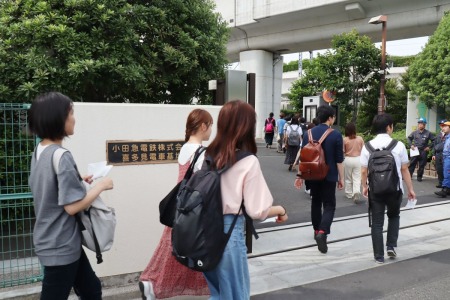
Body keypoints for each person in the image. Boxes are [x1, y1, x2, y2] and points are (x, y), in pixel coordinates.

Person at [28, 92, 114, 299]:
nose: (74, 118)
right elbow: (72, 207)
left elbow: (49, 189)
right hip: (61, 244)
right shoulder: (62, 155)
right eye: (70, 113)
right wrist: (100, 186)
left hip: (54, 239)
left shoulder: (40, 151)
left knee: (91, 289)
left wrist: (78, 181)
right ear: (57, 118)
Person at [203, 100, 288, 299]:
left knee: (217, 293)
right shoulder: (248, 161)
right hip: (228, 232)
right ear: (246, 127)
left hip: (205, 230)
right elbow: (257, 210)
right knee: (235, 294)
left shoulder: (208, 155)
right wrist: (281, 210)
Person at [139, 109, 213, 300]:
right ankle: (154, 285)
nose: (211, 130)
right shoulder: (201, 152)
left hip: (180, 208)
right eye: (210, 125)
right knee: (189, 252)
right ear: (203, 126)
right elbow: (204, 184)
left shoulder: (185, 148)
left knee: (171, 250)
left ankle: (151, 282)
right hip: (193, 211)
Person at [360, 113, 416, 264]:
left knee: (377, 222)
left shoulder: (367, 147)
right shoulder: (398, 145)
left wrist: (365, 186)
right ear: (388, 127)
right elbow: (405, 169)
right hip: (394, 189)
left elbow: (364, 171)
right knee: (394, 216)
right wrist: (410, 189)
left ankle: (379, 256)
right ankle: (391, 246)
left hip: (375, 190)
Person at [294, 105, 344, 254]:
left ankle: (316, 231)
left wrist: (299, 176)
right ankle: (323, 232)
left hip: (311, 174)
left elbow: (303, 157)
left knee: (315, 202)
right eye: (333, 117)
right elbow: (339, 160)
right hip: (329, 175)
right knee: (329, 205)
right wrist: (341, 178)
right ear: (330, 118)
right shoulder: (336, 135)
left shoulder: (307, 133)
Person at [407, 117, 435, 181]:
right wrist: (411, 145)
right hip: (415, 150)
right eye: (419, 123)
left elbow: (434, 140)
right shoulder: (414, 132)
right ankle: (409, 176)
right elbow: (409, 138)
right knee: (412, 164)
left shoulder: (428, 133)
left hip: (423, 151)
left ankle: (419, 177)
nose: (420, 125)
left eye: (421, 124)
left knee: (422, 165)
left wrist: (429, 147)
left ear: (424, 125)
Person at [343, 123, 364, 203]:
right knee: (357, 177)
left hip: (348, 159)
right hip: (358, 159)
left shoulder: (345, 139)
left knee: (348, 177)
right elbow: (363, 150)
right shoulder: (360, 139)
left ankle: (348, 193)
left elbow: (343, 151)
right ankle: (356, 191)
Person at [434, 121, 450, 197]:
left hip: (448, 158)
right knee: (446, 174)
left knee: (447, 174)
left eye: (445, 126)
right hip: (445, 157)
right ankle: (448, 190)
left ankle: (444, 190)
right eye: (442, 126)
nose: (443, 128)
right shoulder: (446, 137)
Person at [432, 120, 448, 188]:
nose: (442, 126)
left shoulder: (448, 134)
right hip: (438, 154)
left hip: (445, 154)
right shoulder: (438, 135)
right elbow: (434, 144)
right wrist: (433, 154)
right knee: (439, 169)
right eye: (441, 125)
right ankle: (440, 182)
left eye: (443, 125)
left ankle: (446, 184)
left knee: (446, 169)